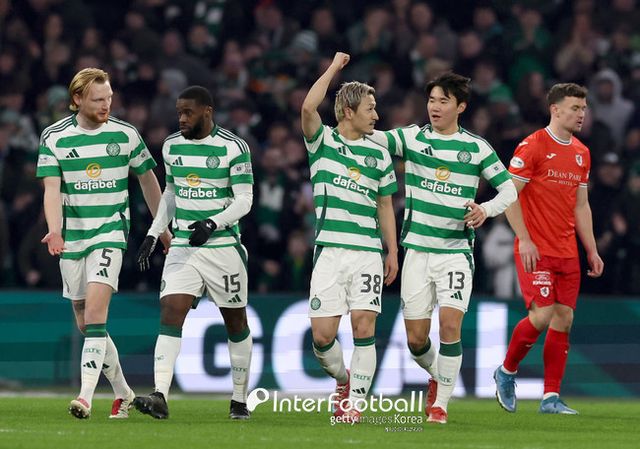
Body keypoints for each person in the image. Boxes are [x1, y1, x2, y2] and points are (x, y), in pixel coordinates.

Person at [383, 72, 517, 424]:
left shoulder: (476, 147)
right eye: (432, 100)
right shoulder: (412, 138)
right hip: (416, 251)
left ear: (461, 107)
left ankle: (440, 405)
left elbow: (508, 190)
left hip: (455, 253)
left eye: (444, 101)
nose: (435, 107)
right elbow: (374, 138)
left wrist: (485, 209)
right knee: (416, 340)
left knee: (449, 327)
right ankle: (437, 375)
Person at [37, 67, 169, 419]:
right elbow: (52, 189)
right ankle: (124, 393)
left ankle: (84, 398)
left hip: (110, 233)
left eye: (109, 98)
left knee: (96, 315)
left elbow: (148, 181)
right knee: (86, 323)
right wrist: (55, 230)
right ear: (77, 99)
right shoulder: (54, 137)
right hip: (73, 238)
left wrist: (161, 227)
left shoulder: (125, 135)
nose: (106, 105)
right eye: (98, 99)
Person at [133, 86, 254, 420]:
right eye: (179, 113)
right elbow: (171, 192)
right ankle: (160, 394)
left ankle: (239, 399)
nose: (182, 118)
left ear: (207, 112)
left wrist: (213, 223)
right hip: (184, 246)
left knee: (235, 322)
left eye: (188, 112)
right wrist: (154, 232)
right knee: (171, 311)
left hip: (223, 247)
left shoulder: (233, 147)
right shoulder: (172, 145)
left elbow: (245, 199)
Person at [494, 83, 604, 415]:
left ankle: (550, 397)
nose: (581, 114)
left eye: (583, 108)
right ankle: (506, 371)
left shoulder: (582, 152)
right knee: (541, 315)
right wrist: (525, 239)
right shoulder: (532, 146)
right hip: (536, 249)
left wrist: (591, 250)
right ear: (555, 109)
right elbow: (508, 195)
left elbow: (581, 205)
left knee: (564, 319)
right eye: (575, 108)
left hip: (567, 251)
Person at [301, 52, 398, 424]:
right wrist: (332, 68)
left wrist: (392, 251)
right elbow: (308, 107)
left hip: (367, 252)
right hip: (330, 251)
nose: (377, 116)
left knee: (363, 325)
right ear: (347, 112)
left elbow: (385, 205)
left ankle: (355, 404)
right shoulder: (322, 141)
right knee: (322, 337)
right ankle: (343, 380)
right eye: (370, 109)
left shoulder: (379, 154)